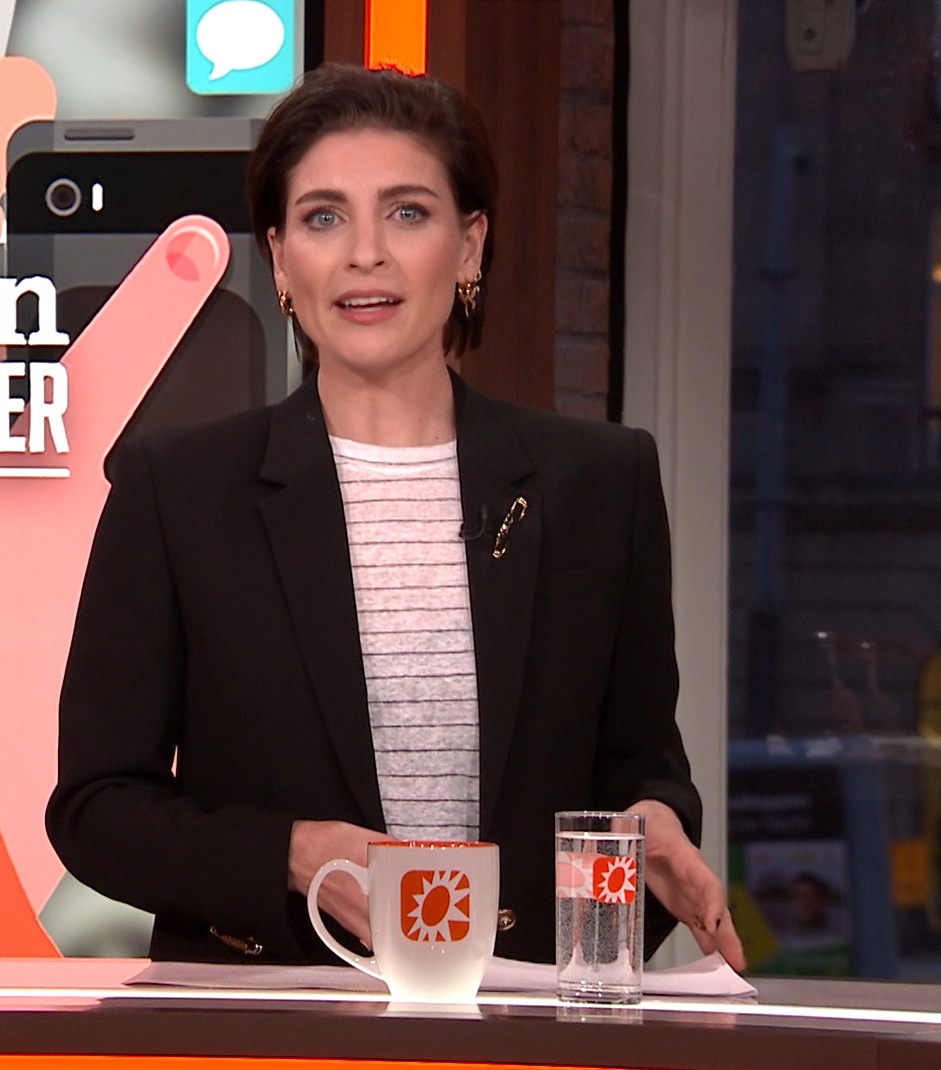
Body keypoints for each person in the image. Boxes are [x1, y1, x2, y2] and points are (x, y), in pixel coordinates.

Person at [46, 64, 746, 968]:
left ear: (470, 246)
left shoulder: (600, 483)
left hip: (525, 1009)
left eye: (408, 213)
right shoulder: (177, 489)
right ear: (280, 258)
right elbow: (97, 809)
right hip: (271, 1014)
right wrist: (297, 854)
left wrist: (652, 822)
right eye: (323, 218)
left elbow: (641, 762)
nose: (364, 253)